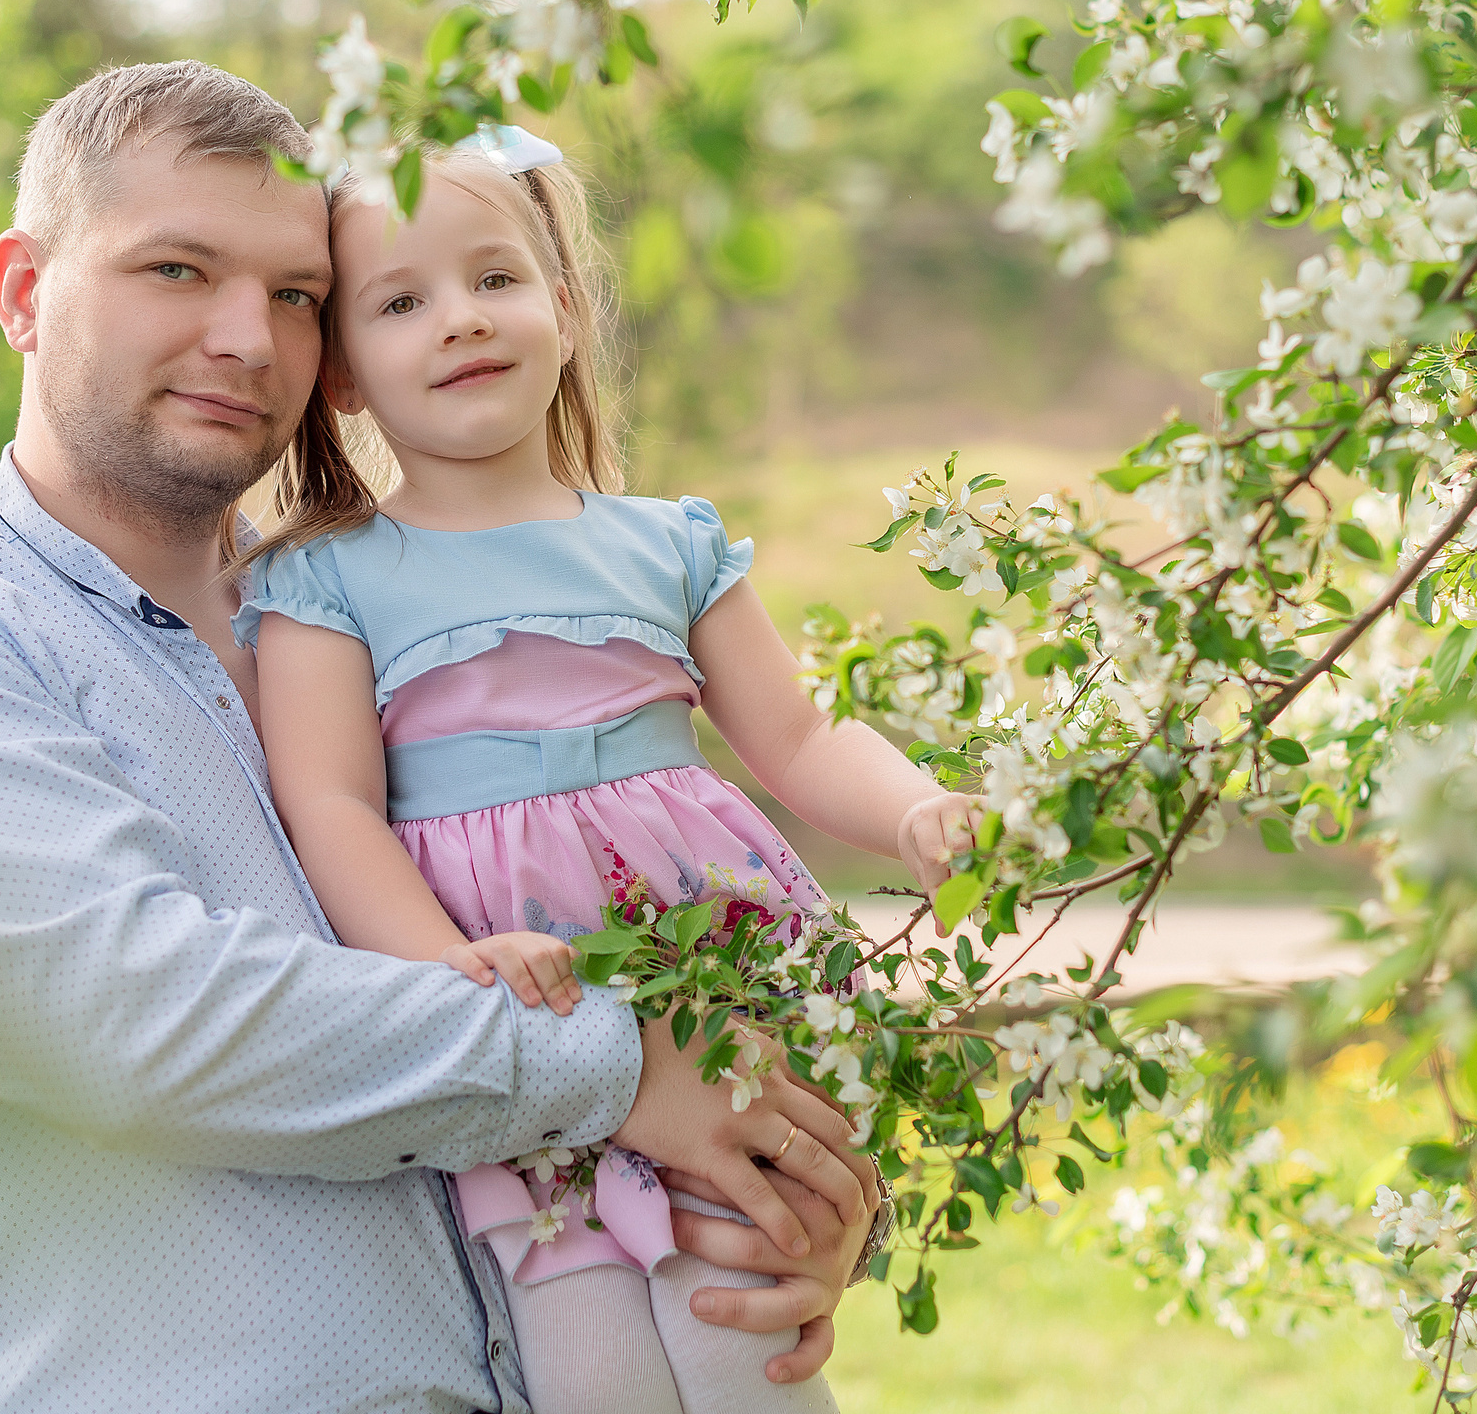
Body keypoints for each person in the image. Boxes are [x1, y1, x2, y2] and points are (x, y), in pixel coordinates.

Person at [0, 60, 876, 1414]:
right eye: (176, 270)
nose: (246, 339)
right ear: (23, 291)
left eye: (295, 296)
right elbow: (139, 1025)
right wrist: (626, 1075)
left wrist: (772, 1196)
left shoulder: (377, 625)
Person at [240, 129, 976, 1414]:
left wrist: (913, 805)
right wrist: (442, 965)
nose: (459, 321)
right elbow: (331, 806)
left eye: (495, 279)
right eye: (402, 302)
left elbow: (796, 739)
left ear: (567, 312)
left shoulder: (662, 545)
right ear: (344, 374)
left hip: (705, 979)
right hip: (525, 1015)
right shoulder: (327, 577)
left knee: (740, 1320)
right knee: (588, 1361)